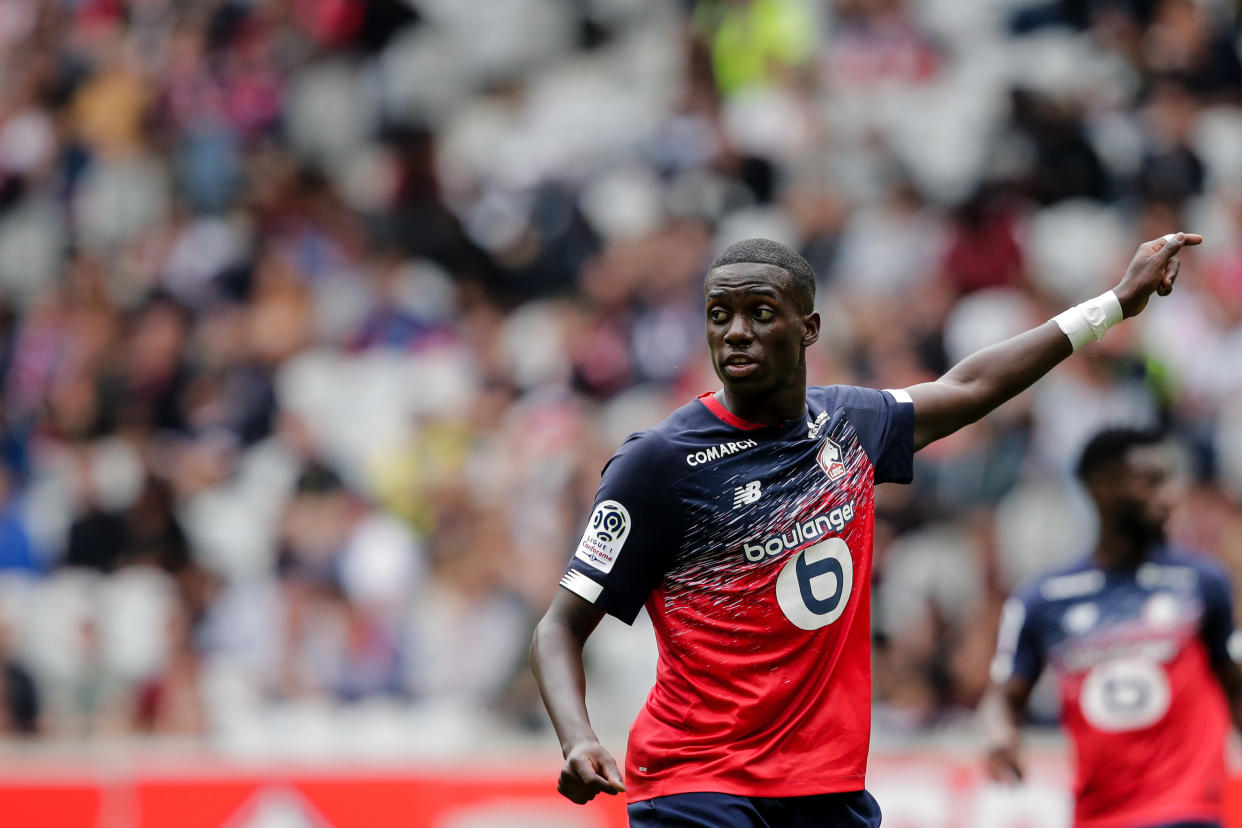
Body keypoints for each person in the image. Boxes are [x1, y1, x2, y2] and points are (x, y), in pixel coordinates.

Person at [531, 231, 1200, 828]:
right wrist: (577, 737)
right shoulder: (660, 463)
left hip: (824, 788)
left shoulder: (850, 425)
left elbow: (970, 386)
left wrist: (1113, 304)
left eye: (760, 314)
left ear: (809, 327)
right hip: (697, 784)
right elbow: (560, 624)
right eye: (719, 315)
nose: (736, 332)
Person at [982, 427, 1242, 828]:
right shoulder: (1043, 598)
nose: (1169, 498)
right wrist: (1001, 734)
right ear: (1103, 488)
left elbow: (1235, 684)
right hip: (1101, 814)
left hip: (1190, 809)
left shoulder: (1202, 582)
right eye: (1151, 483)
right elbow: (1003, 697)